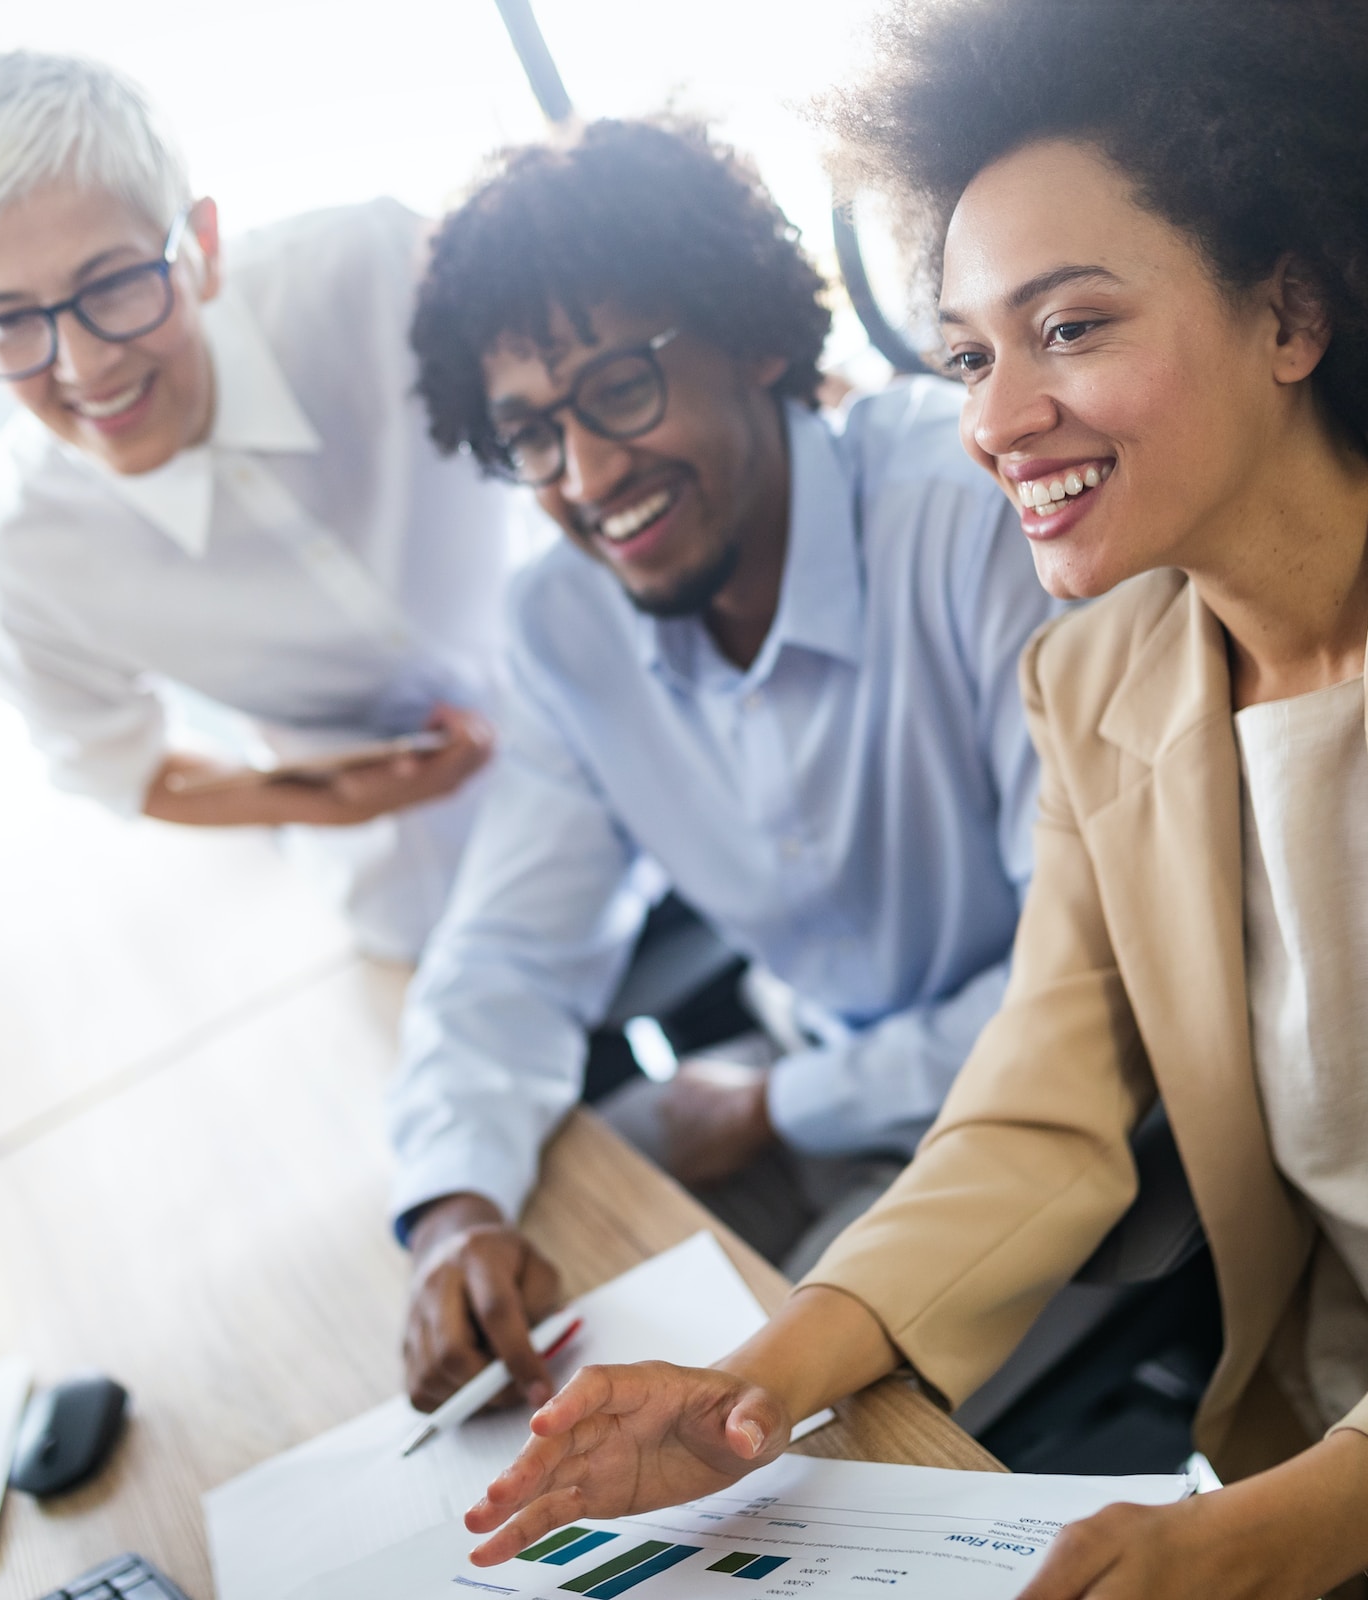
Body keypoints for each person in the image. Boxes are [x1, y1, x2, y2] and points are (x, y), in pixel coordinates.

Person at [462, 2, 1368, 1597]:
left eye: (1072, 328)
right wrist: (758, 1386)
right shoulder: (1099, 688)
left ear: (1292, 310)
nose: (996, 416)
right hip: (1340, 1424)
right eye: (970, 351)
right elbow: (1033, 1117)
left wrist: (1260, 1539)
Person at [390, 120, 1061, 1414]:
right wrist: (449, 1215)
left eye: (623, 390)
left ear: (753, 337)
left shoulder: (972, 513)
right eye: (530, 434)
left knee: (730, 1468)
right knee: (512, 1319)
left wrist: (782, 1103)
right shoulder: (566, 621)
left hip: (1033, 1134)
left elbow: (1093, 994)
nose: (587, 477)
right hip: (799, 1079)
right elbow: (506, 955)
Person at [0, 53, 509, 959]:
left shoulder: (374, 271)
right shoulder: (22, 557)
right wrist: (316, 799)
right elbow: (121, 767)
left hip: (664, 729)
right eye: (10, 320)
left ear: (203, 249)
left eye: (109, 284)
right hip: (427, 891)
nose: (82, 366)